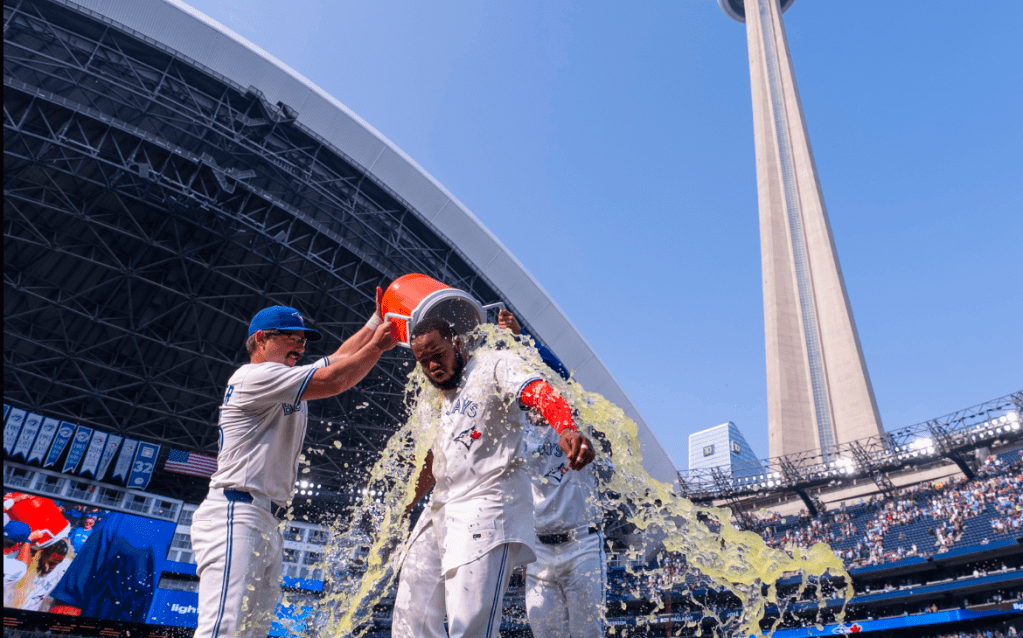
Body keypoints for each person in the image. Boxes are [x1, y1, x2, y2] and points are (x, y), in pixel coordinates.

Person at [190, 298, 396, 638]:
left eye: (303, 340)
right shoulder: (255, 375)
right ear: (261, 339)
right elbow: (333, 380)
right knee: (223, 631)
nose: (300, 346)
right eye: (290, 338)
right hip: (236, 513)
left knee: (248, 634)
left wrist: (375, 320)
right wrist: (377, 347)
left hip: (263, 519)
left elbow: (340, 358)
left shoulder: (281, 378)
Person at [392, 316, 596, 638]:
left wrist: (566, 427)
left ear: (456, 342)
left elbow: (539, 390)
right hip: (440, 506)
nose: (432, 366)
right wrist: (402, 507)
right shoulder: (431, 400)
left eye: (438, 354)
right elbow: (433, 460)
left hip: (486, 505)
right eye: (423, 361)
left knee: (469, 627)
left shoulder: (493, 365)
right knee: (409, 619)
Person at [497, 310, 606, 638]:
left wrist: (522, 335)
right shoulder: (517, 432)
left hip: (581, 544)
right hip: (540, 552)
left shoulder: (572, 420)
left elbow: (559, 373)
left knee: (588, 634)